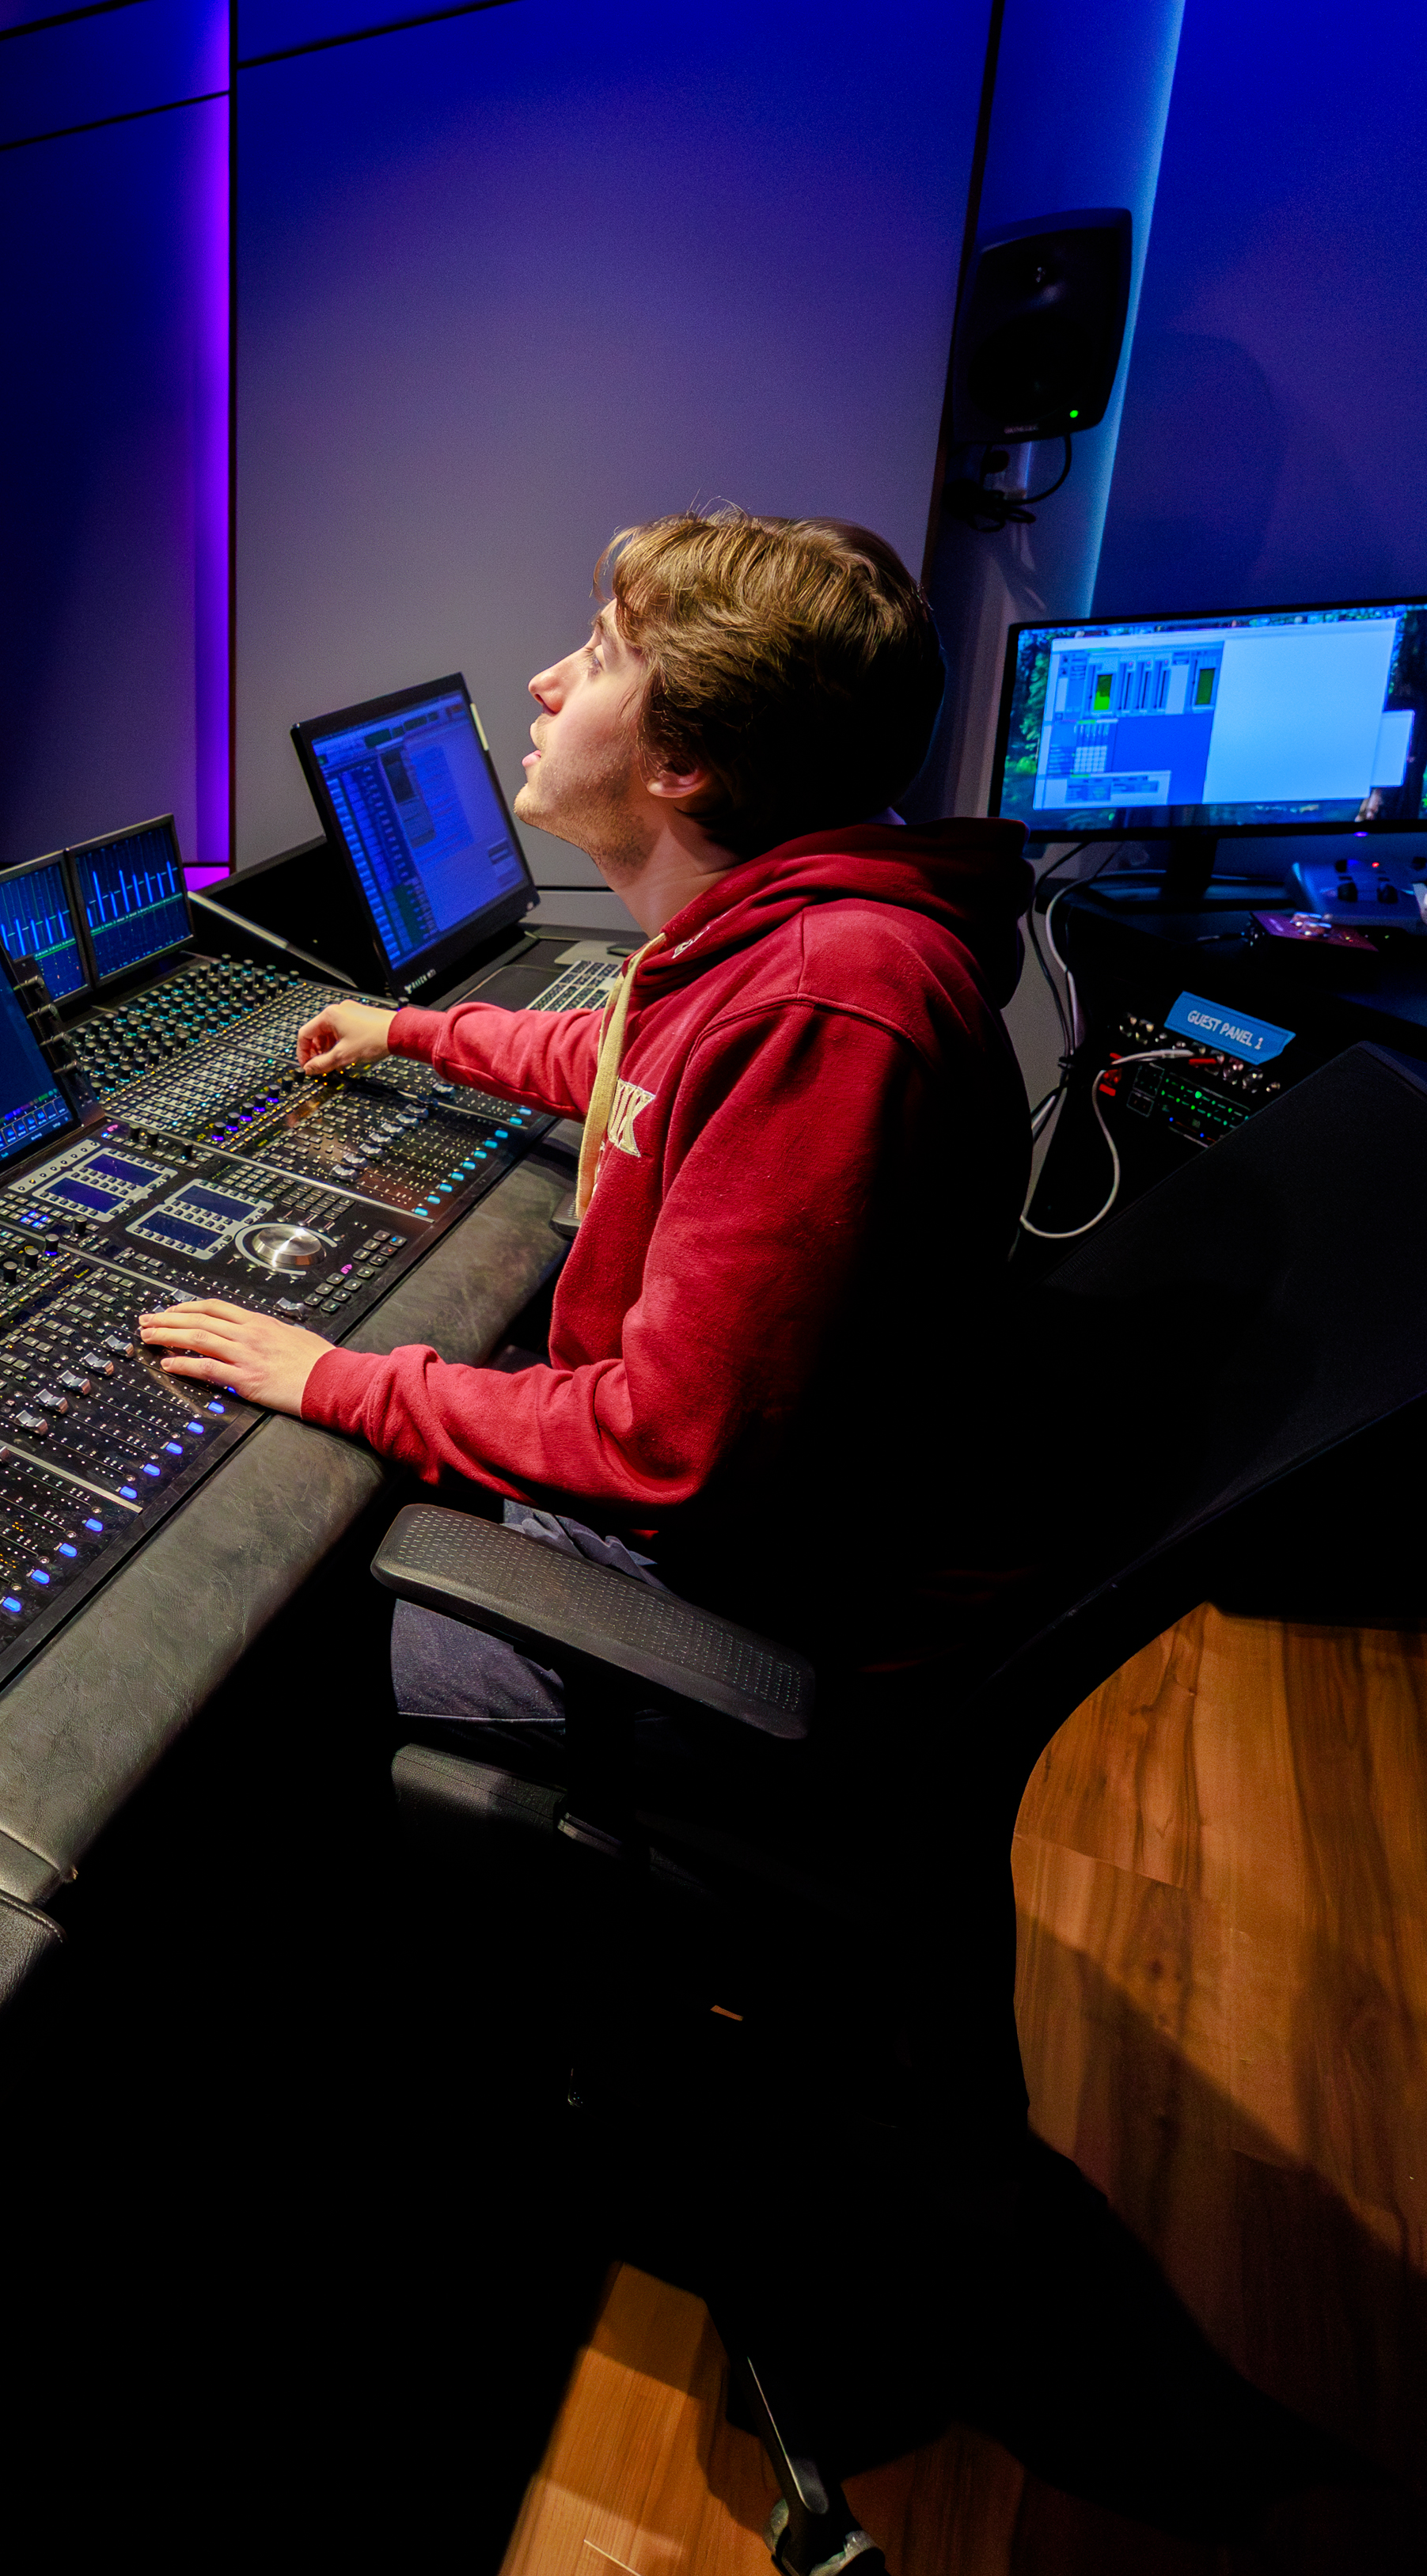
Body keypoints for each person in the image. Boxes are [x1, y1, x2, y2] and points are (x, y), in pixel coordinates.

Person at [138, 511, 1029, 1719]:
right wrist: (408, 1029)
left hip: (750, 1619)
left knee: (251, 1639)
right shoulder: (783, 943)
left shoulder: (826, 1007)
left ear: (683, 764)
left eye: (601, 655)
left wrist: (337, 1378)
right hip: (738, 1543)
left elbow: (662, 1446)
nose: (546, 681)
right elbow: (633, 1070)